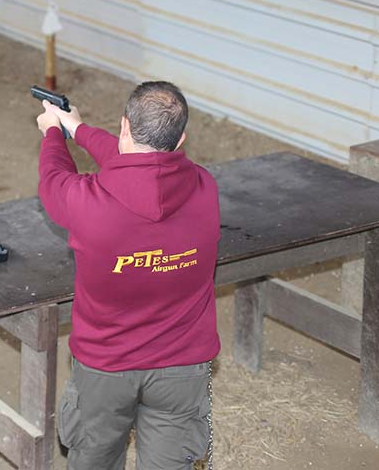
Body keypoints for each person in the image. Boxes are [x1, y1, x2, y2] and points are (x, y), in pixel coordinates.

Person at [35, 81, 220, 470]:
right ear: (182, 138)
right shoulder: (205, 188)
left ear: (124, 127)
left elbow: (53, 178)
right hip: (182, 367)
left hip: (106, 366)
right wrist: (79, 128)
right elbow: (141, 168)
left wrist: (55, 132)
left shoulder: (85, 203)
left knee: (94, 460)